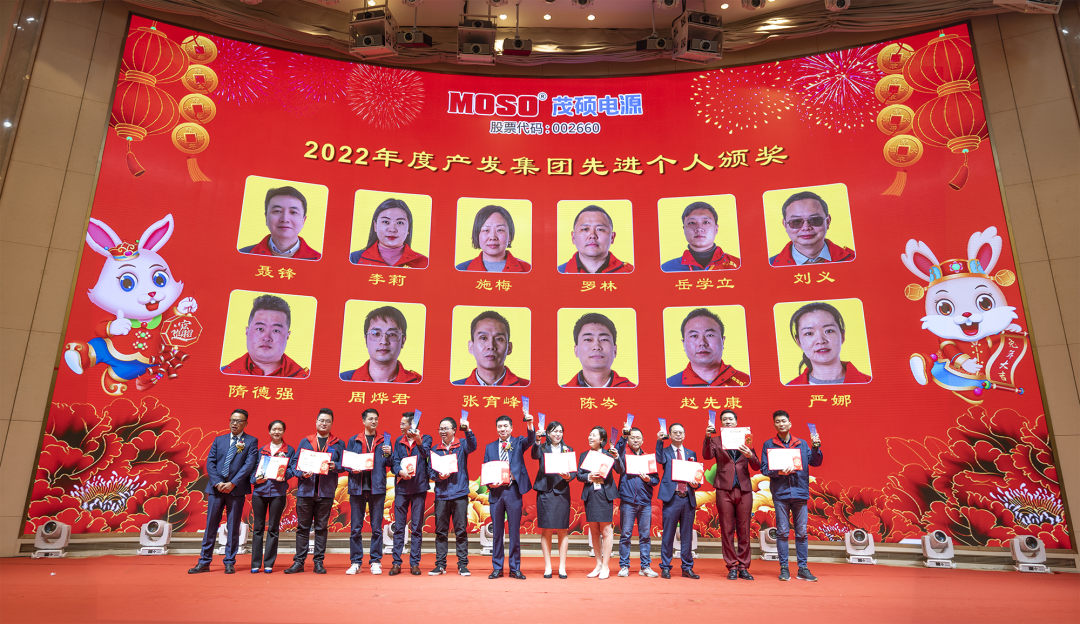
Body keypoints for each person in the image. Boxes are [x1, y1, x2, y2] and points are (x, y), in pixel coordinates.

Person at [189, 409, 259, 574]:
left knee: (233, 527)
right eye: (232, 420)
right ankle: (204, 561)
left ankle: (229, 561)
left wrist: (233, 483)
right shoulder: (219, 440)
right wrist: (218, 482)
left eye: (239, 421)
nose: (235, 423)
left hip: (236, 490)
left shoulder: (251, 441)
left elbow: (249, 465)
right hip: (216, 489)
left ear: (245, 423)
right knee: (210, 526)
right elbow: (210, 462)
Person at [760, 410, 822, 582]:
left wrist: (816, 447)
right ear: (774, 425)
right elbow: (764, 468)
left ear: (790, 423)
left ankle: (803, 568)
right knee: (782, 532)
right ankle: (784, 568)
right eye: (777, 421)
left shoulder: (801, 443)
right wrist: (778, 472)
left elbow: (816, 462)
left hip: (800, 492)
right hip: (781, 494)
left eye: (783, 421)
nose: (781, 424)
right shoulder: (769, 444)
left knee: (801, 532)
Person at [284, 408, 344, 575]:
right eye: (321, 420)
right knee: (302, 528)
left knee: (321, 528)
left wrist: (336, 466)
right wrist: (302, 474)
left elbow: (344, 465)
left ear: (332, 424)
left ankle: (318, 562)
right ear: (316, 422)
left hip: (326, 492)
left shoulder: (338, 443)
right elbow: (294, 464)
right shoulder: (306, 441)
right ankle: (299, 562)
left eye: (328, 421)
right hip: (306, 491)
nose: (324, 423)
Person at [702, 409, 760, 580]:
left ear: (736, 422)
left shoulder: (747, 438)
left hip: (744, 488)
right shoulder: (716, 440)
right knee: (727, 529)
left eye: (730, 419)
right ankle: (732, 566)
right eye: (724, 419)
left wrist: (750, 455)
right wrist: (707, 437)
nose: (728, 421)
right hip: (724, 488)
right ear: (721, 423)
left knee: (744, 528)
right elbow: (707, 456)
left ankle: (743, 566)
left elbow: (756, 465)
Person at [483, 413, 535, 579]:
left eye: (506, 426)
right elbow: (486, 469)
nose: (502, 429)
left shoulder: (518, 442)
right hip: (496, 492)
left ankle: (515, 568)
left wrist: (530, 424)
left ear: (511, 428)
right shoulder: (490, 447)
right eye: (500, 426)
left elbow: (531, 440)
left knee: (514, 532)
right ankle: (497, 567)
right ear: (496, 428)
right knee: (497, 532)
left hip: (513, 491)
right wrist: (490, 484)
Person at [344, 408, 393, 576]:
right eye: (370, 419)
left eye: (376, 419)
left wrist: (389, 454)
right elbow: (346, 463)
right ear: (363, 421)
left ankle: (375, 561)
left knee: (376, 528)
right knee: (355, 529)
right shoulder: (354, 440)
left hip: (377, 488)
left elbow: (390, 463)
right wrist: (352, 469)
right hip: (357, 488)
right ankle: (356, 561)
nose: (374, 421)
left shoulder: (385, 440)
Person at [429, 416, 478, 576]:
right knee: (441, 532)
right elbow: (430, 471)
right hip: (441, 495)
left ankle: (462, 565)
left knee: (461, 531)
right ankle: (440, 565)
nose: (442, 431)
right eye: (440, 429)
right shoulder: (435, 449)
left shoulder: (462, 444)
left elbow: (473, 445)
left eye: (446, 428)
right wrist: (438, 477)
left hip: (459, 494)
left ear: (454, 430)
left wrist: (468, 430)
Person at [221, 294, 309, 378]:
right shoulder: (223, 374)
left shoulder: (305, 378)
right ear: (247, 331)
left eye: (276, 330)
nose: (266, 338)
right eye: (260, 329)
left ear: (287, 336)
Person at [655, 422, 702, 579]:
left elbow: (696, 475)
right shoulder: (665, 452)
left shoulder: (691, 453)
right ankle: (665, 566)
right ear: (669, 435)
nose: (678, 434)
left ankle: (687, 567)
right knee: (668, 534)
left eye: (680, 432)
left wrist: (696, 484)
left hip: (688, 498)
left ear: (684, 435)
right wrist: (659, 441)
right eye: (674, 432)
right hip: (672, 498)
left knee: (687, 535)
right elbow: (659, 459)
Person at [786, 302, 871, 385]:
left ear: (842, 336)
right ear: (799, 342)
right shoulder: (789, 390)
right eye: (809, 333)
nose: (820, 340)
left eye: (829, 331)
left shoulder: (871, 384)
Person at [577, 426, 623, 580]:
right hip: (590, 495)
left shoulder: (609, 454)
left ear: (602, 439)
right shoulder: (584, 455)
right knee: (594, 531)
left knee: (606, 531)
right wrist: (589, 476)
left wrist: (617, 457)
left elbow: (620, 470)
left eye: (594, 435)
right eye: (589, 435)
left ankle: (605, 566)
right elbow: (579, 475)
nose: (590, 438)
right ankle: (597, 564)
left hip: (604, 495)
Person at [531, 420, 575, 579]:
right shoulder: (542, 447)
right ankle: (548, 566)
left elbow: (573, 472)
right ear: (548, 433)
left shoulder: (568, 449)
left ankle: (562, 567)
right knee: (546, 529)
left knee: (563, 529)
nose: (558, 434)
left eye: (560, 431)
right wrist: (537, 440)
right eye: (554, 431)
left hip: (562, 492)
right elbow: (534, 455)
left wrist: (569, 476)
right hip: (545, 492)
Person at [389, 411, 432, 576]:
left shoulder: (426, 438)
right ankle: (396, 562)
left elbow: (426, 454)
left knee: (416, 528)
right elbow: (394, 462)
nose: (400, 426)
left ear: (412, 425)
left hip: (418, 489)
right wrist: (399, 471)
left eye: (403, 424)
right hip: (401, 488)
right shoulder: (398, 441)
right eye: (400, 423)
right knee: (399, 528)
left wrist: (418, 441)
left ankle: (414, 563)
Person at [250, 419, 294, 574]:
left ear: (283, 431)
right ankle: (255, 563)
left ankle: (269, 563)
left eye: (280, 429)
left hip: (278, 493)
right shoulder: (262, 450)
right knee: (258, 528)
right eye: (274, 429)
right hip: (259, 492)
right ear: (269, 431)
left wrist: (284, 475)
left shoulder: (289, 450)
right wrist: (255, 480)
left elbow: (292, 469)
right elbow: (253, 470)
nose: (277, 432)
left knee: (274, 528)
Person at [616, 425, 659, 578]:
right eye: (632, 437)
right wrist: (622, 437)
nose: (635, 440)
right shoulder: (623, 455)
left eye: (638, 437)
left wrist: (648, 480)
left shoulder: (648, 458)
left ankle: (645, 567)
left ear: (642, 440)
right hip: (628, 501)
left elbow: (656, 480)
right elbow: (616, 453)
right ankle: (624, 566)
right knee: (625, 535)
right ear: (628, 440)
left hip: (645, 502)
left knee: (645, 536)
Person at [667, 308, 750, 387]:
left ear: (723, 341)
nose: (702, 343)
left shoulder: (746, 382)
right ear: (683, 343)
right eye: (694, 336)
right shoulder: (670, 385)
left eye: (710, 335)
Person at [769, 191, 855, 267]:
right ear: (785, 225)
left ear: (827, 222)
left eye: (814, 220)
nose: (806, 227)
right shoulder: (770, 266)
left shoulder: (853, 260)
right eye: (796, 221)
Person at [340, 306, 422, 383]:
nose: (384, 341)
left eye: (392, 334)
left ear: (403, 341)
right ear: (366, 340)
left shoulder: (418, 383)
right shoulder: (343, 380)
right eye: (376, 334)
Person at [239, 186, 322, 260]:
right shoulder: (243, 255)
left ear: (303, 220)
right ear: (266, 218)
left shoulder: (319, 260)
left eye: (293, 212)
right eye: (277, 211)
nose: (285, 219)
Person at [453, 310, 529, 386]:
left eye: (499, 339)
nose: (491, 346)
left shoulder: (527, 387)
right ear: (471, 347)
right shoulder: (454, 388)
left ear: (509, 348)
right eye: (483, 338)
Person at [660, 201, 741, 271]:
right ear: (684, 229)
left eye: (706, 222)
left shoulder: (738, 266)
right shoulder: (666, 269)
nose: (699, 228)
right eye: (692, 223)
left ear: (716, 229)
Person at [350, 198, 429, 268]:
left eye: (400, 223)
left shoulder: (424, 263)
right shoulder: (354, 259)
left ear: (408, 228)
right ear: (375, 226)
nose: (392, 229)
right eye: (385, 222)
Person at [563, 312, 636, 388]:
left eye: (603, 339)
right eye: (588, 339)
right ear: (576, 350)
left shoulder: (633, 391)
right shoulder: (562, 392)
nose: (596, 347)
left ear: (615, 350)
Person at [558, 205, 634, 274]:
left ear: (612, 237)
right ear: (573, 237)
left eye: (600, 229)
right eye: (585, 229)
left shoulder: (630, 273)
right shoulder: (558, 273)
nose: (592, 235)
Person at [456, 204, 531, 272]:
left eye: (500, 230)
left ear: (510, 236)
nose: (492, 237)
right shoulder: (461, 270)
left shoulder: (528, 270)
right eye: (486, 230)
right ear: (477, 235)